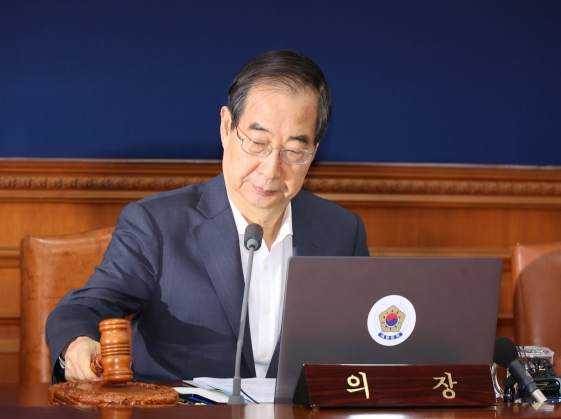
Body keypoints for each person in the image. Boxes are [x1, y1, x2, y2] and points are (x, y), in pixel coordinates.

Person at [46, 50, 369, 384]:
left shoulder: (343, 232)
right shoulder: (155, 226)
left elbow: (366, 341)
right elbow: (83, 309)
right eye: (258, 143)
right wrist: (77, 343)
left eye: (294, 151)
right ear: (227, 127)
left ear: (314, 150)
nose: (272, 169)